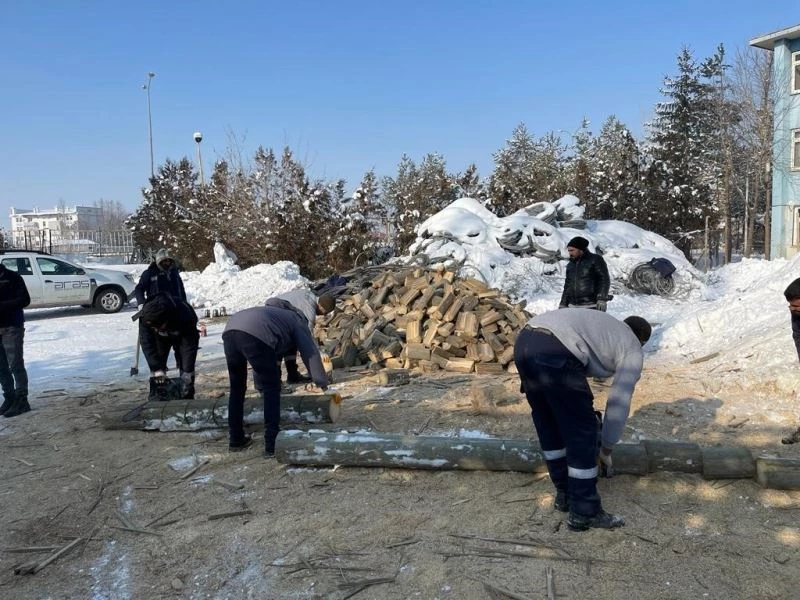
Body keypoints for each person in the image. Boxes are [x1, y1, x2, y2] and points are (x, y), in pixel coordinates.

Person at [513, 308, 651, 531]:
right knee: (583, 430)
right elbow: (619, 401)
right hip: (556, 348)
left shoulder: (607, 328)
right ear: (642, 340)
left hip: (525, 342)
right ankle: (585, 512)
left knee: (549, 421)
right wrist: (606, 449)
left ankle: (565, 494)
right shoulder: (632, 346)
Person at [222, 299, 329, 457]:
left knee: (237, 388)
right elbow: (310, 352)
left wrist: (260, 383)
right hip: (255, 334)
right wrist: (321, 381)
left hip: (230, 330)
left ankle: (236, 439)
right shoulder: (296, 320)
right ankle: (272, 443)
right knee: (272, 389)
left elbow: (270, 352)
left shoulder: (274, 316)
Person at [135, 292, 200, 400]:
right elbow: (147, 343)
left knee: (186, 368)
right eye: (153, 327)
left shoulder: (184, 314)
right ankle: (158, 398)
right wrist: (156, 368)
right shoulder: (145, 316)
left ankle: (187, 398)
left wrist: (187, 372)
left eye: (157, 326)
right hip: (159, 339)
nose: (155, 328)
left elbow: (189, 346)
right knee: (158, 367)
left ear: (165, 320)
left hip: (183, 334)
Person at [268, 290, 336, 384]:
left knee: (291, 341)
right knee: (280, 343)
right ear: (321, 305)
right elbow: (307, 334)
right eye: (325, 312)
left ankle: (292, 375)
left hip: (277, 310)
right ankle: (275, 381)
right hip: (275, 313)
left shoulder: (308, 296)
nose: (323, 315)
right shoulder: (309, 308)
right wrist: (318, 354)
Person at [0, 263, 32, 418]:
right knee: (1, 367)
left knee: (15, 365)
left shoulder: (13, 277)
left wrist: (3, 306)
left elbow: (25, 300)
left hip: (12, 326)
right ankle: (9, 397)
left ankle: (22, 400)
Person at [559, 236, 611, 311]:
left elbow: (604, 279)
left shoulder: (595, 259)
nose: (570, 253)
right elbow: (567, 285)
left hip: (591, 305)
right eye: (569, 251)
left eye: (572, 250)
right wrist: (563, 303)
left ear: (580, 249)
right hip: (573, 307)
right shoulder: (570, 265)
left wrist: (602, 298)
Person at [784, 278, 800, 362]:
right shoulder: (796, 312)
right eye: (791, 305)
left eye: (796, 306)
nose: (792, 309)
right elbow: (798, 335)